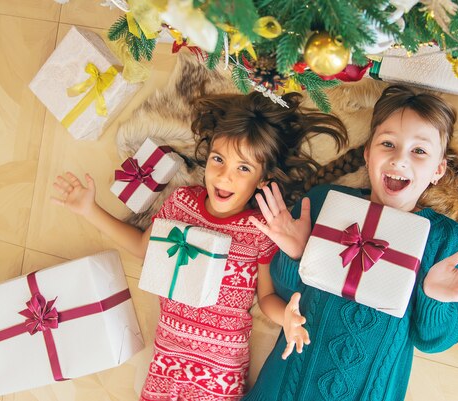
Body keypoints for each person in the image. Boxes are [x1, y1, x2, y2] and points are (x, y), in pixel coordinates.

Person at [51, 91, 348, 401]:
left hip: (220, 375)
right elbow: (143, 246)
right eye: (218, 159)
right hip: (166, 366)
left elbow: (267, 297)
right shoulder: (181, 203)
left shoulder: (259, 231)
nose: (223, 175)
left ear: (262, 180)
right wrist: (90, 210)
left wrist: (286, 317)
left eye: (243, 168)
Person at [244, 85, 458, 401]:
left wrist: (432, 296)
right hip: (286, 388)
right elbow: (286, 295)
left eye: (419, 150)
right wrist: (297, 253)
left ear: (438, 170)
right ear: (368, 152)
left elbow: (434, 341)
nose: (399, 158)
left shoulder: (445, 240)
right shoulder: (324, 202)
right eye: (388, 144)